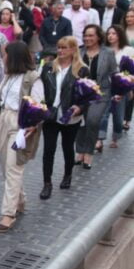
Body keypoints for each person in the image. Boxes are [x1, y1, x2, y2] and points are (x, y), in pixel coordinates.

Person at [0, 42, 44, 233]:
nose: (2, 59)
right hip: (3, 121)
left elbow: (39, 106)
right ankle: (20, 199)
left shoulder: (33, 79)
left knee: (14, 168)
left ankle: (8, 214)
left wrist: (33, 125)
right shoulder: (7, 77)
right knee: (7, 168)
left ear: (13, 57)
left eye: (5, 55)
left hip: (20, 125)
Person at [39, 36, 89, 199]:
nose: (60, 50)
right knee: (48, 150)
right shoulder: (47, 67)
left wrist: (79, 108)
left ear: (73, 50)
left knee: (68, 148)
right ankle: (47, 183)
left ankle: (67, 174)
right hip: (50, 116)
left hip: (70, 117)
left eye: (65, 47)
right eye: (59, 47)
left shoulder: (82, 70)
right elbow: (40, 91)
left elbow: (87, 95)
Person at [75, 25, 117, 167]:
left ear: (98, 36)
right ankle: (80, 151)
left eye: (91, 35)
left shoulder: (108, 53)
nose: (87, 38)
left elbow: (113, 73)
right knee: (81, 122)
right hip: (81, 94)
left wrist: (120, 90)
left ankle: (89, 153)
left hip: (101, 94)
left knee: (92, 121)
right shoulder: (79, 52)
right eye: (86, 35)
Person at [100, 25, 133, 148]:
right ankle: (100, 139)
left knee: (118, 116)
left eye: (114, 33)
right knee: (103, 114)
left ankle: (115, 137)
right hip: (105, 86)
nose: (110, 36)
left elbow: (131, 70)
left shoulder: (128, 50)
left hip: (120, 87)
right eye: (109, 33)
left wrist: (129, 87)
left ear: (119, 35)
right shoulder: (103, 50)